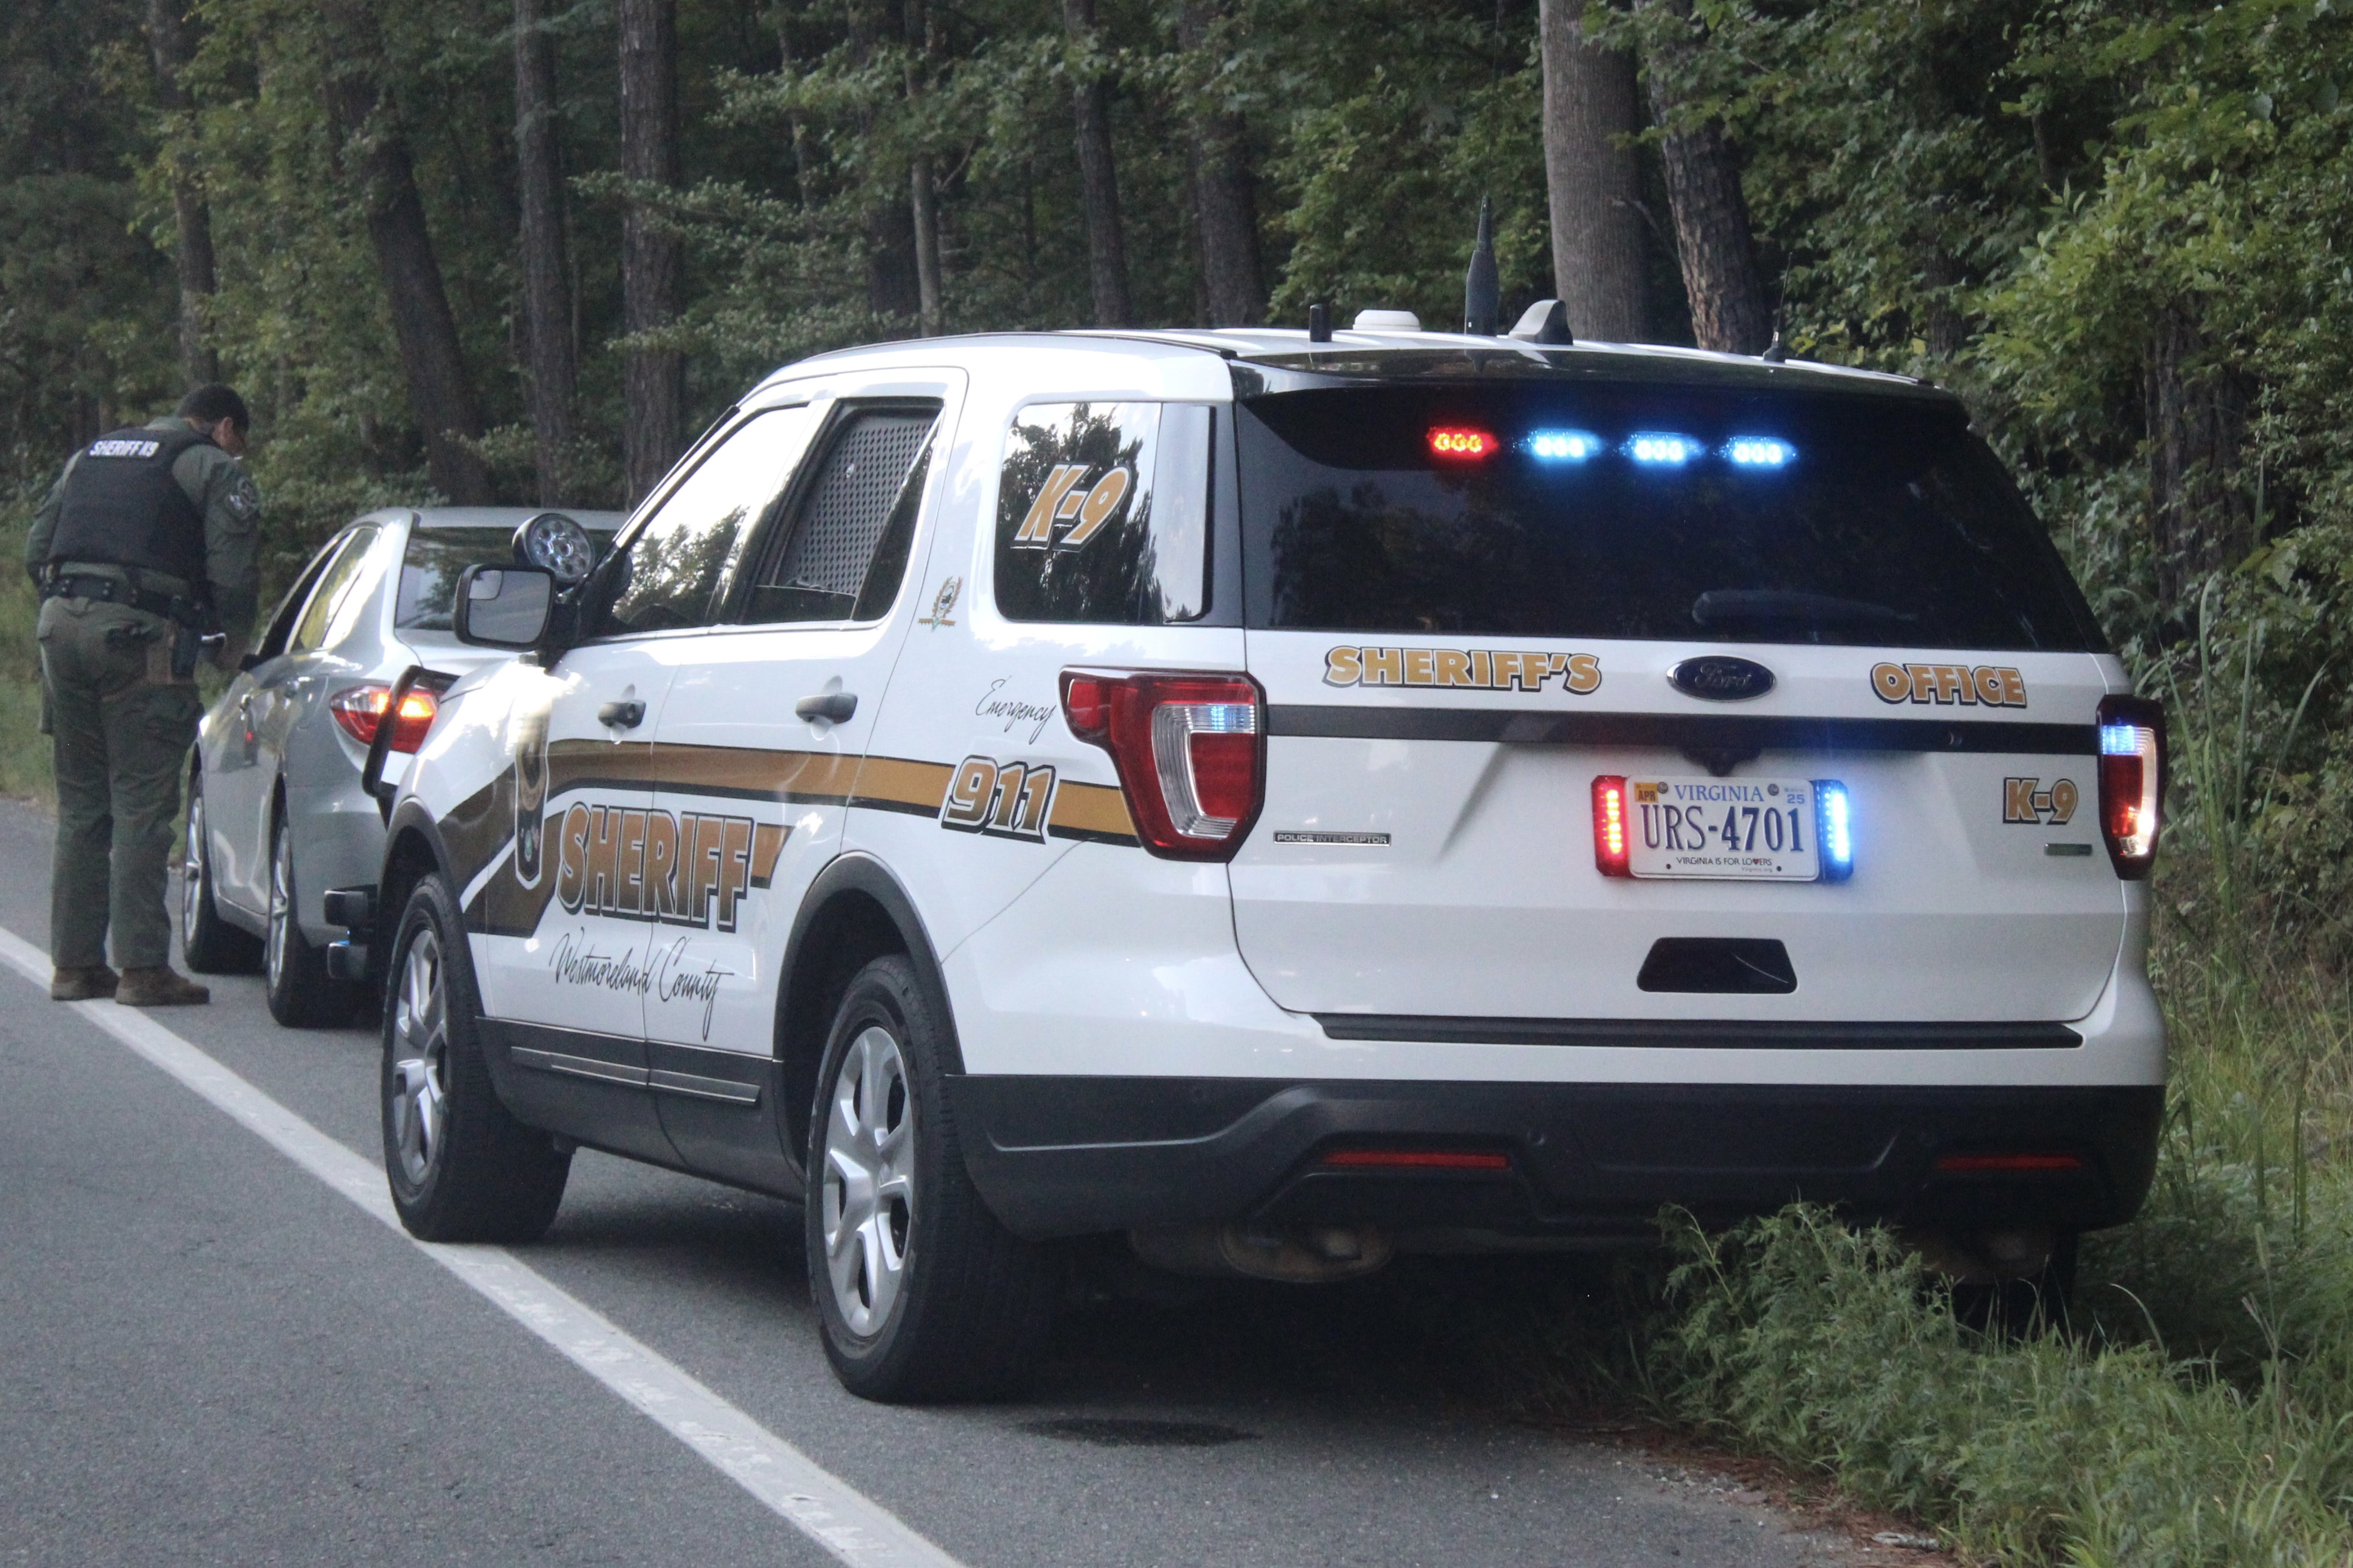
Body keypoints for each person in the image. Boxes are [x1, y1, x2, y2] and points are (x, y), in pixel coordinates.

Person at [25, 384, 261, 1006]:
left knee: (82, 805)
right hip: (137, 638)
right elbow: (233, 575)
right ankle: (142, 968)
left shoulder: (94, 455)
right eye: (242, 442)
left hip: (60, 628)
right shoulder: (210, 467)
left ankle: (75, 966)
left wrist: (73, 604)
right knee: (140, 802)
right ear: (226, 429)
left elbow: (35, 549)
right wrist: (228, 648)